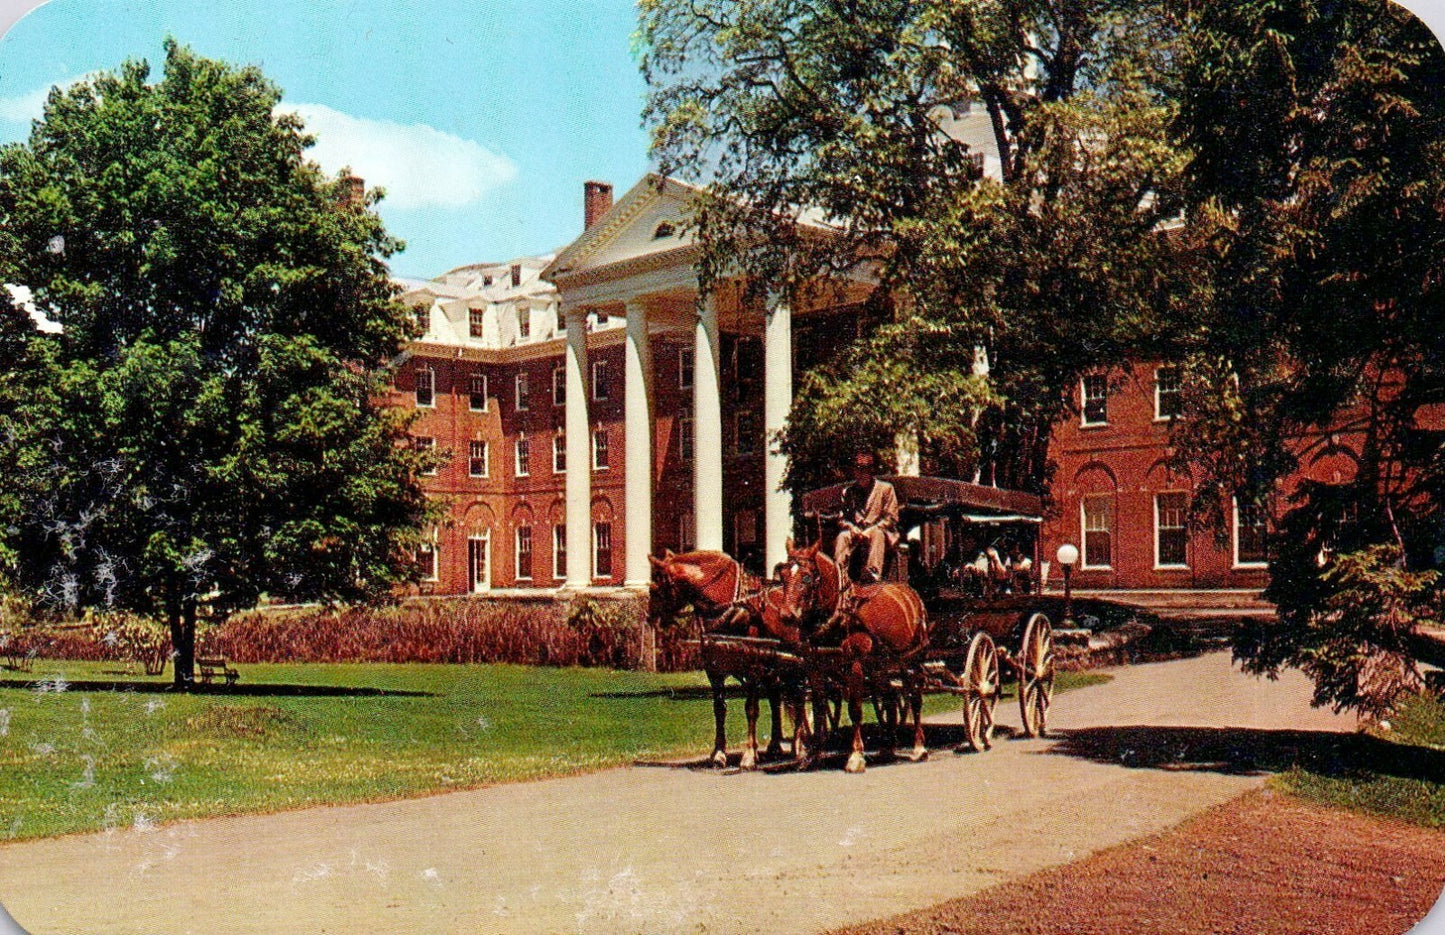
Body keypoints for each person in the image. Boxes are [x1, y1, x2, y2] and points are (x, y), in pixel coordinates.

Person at [834, 451, 900, 586]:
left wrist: (870, 531)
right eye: (857, 469)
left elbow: (891, 518)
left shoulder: (886, 489)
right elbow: (842, 519)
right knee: (842, 536)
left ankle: (873, 573)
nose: (861, 473)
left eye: (865, 469)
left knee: (877, 534)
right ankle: (839, 574)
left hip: (879, 532)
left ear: (871, 470)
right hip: (856, 532)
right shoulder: (848, 492)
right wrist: (852, 528)